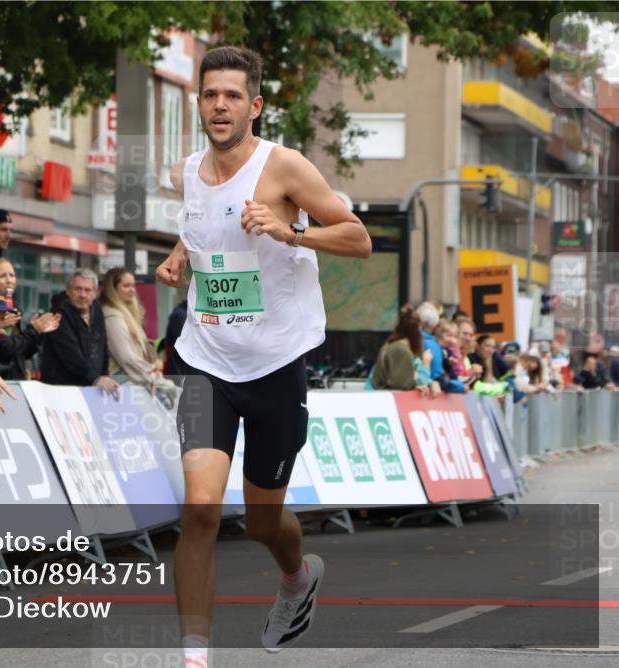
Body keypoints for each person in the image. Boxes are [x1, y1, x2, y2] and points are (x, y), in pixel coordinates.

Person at [155, 46, 371, 661]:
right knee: (198, 511)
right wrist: (182, 252)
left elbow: (359, 238)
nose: (219, 106)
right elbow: (203, 220)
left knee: (260, 523)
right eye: (209, 94)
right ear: (198, 102)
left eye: (232, 96)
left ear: (255, 105)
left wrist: (290, 229)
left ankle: (297, 578)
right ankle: (194, 656)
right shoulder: (185, 172)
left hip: (276, 363)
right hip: (204, 360)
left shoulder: (286, 169)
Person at [100, 267, 178, 402]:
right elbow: (126, 358)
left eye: (133, 285)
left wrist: (154, 369)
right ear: (112, 289)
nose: (132, 290)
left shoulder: (126, 315)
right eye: (126, 286)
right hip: (122, 385)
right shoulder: (112, 316)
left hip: (132, 383)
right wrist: (152, 373)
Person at [40, 268, 121, 398]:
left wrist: (104, 377)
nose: (83, 295)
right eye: (78, 289)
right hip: (62, 391)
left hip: (91, 389)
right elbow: (71, 355)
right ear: (68, 291)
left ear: (95, 293)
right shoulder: (59, 313)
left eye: (88, 290)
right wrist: (96, 379)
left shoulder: (96, 309)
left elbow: (103, 348)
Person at [0, 258, 61, 380]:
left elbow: (21, 351)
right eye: (3, 276)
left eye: (12, 275)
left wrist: (38, 333)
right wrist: (33, 331)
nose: (9, 280)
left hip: (16, 380)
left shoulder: (14, 308)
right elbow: (6, 348)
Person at [369, 311, 439, 396]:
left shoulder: (394, 346)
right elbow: (401, 384)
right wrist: (425, 365)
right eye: (420, 331)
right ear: (415, 332)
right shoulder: (401, 350)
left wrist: (427, 383)